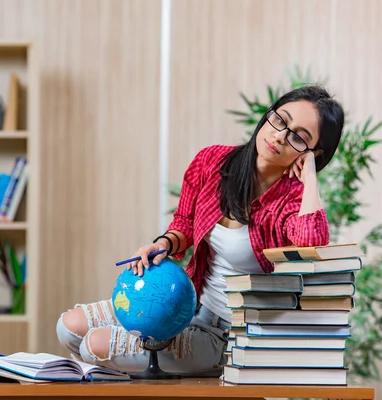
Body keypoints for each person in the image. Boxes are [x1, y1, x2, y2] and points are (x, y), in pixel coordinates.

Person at [55, 85, 345, 376]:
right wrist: (163, 245)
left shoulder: (293, 200)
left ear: (313, 152)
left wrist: (310, 178)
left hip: (229, 335)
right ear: (269, 115)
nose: (280, 136)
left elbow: (312, 248)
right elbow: (184, 225)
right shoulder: (213, 162)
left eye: (298, 137)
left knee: (94, 345)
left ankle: (193, 371)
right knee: (69, 328)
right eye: (280, 120)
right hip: (186, 305)